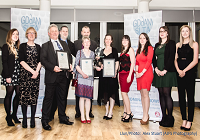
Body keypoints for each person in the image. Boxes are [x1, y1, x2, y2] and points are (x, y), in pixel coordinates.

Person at [40, 24, 74, 130]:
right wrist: (53, 67)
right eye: (52, 31)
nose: (54, 33)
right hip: (52, 75)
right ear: (49, 33)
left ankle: (62, 117)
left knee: (62, 98)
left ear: (58, 32)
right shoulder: (45, 45)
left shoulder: (63, 43)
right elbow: (43, 60)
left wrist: (69, 65)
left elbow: (68, 56)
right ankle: (45, 120)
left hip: (63, 75)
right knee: (48, 99)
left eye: (56, 31)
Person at [174, 25, 198, 131]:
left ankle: (190, 121)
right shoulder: (178, 45)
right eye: (183, 31)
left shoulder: (194, 44)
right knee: (181, 98)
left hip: (190, 73)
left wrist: (184, 70)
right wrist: (179, 70)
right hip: (179, 73)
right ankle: (184, 119)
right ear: (181, 33)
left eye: (186, 31)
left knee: (190, 98)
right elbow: (175, 59)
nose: (184, 33)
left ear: (190, 32)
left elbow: (195, 61)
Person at [152, 26, 177, 127]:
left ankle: (170, 118)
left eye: (164, 31)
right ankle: (164, 117)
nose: (162, 33)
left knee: (167, 94)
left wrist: (165, 70)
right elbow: (154, 59)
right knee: (161, 94)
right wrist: (156, 69)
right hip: (158, 72)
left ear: (167, 33)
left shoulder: (171, 43)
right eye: (160, 31)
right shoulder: (157, 45)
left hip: (168, 71)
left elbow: (171, 57)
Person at [50, 25, 75, 121]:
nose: (65, 33)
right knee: (53, 96)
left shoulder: (71, 45)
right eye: (63, 31)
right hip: (55, 73)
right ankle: (51, 114)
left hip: (66, 74)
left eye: (66, 31)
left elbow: (72, 58)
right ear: (60, 32)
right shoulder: (55, 43)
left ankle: (62, 114)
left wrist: (71, 66)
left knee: (63, 95)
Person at [73, 36, 101, 123]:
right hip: (81, 77)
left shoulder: (93, 53)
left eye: (88, 42)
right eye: (84, 42)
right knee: (81, 98)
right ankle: (82, 116)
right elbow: (76, 65)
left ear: (90, 43)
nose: (86, 43)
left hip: (89, 78)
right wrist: (83, 73)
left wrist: (97, 68)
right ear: (82, 44)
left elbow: (92, 65)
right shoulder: (79, 52)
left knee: (88, 98)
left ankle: (88, 116)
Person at [18, 27, 41, 128]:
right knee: (24, 98)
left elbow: (40, 61)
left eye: (33, 33)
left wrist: (36, 71)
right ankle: (24, 119)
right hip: (25, 75)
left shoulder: (38, 47)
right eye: (29, 33)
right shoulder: (22, 46)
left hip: (35, 75)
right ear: (26, 35)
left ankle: (32, 119)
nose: (31, 34)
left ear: (35, 35)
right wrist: (32, 71)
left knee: (34, 97)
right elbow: (21, 61)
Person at [97, 34, 120, 120]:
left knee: (112, 92)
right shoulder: (101, 51)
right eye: (106, 39)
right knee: (105, 93)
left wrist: (115, 71)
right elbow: (99, 62)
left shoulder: (114, 50)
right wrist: (100, 64)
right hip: (103, 75)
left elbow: (117, 62)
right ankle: (106, 111)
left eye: (109, 39)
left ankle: (111, 111)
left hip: (112, 75)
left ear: (111, 41)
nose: (107, 40)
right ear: (104, 40)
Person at [1, 28, 21, 126]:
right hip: (9, 74)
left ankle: (14, 114)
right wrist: (8, 76)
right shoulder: (6, 47)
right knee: (9, 94)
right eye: (14, 34)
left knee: (18, 94)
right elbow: (4, 62)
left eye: (17, 34)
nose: (16, 35)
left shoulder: (18, 47)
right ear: (10, 35)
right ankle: (8, 116)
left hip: (18, 74)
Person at [135, 33, 154, 125]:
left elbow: (149, 61)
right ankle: (144, 114)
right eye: (140, 38)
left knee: (145, 94)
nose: (142, 40)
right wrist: (137, 72)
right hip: (139, 74)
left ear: (147, 39)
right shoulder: (138, 49)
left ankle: (146, 115)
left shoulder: (150, 48)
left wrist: (142, 73)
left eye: (144, 38)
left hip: (146, 73)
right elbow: (137, 62)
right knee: (142, 94)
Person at [119, 35, 135, 122]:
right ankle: (125, 112)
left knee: (124, 93)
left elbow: (132, 63)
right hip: (121, 74)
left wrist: (130, 75)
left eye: (126, 40)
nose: (124, 41)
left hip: (127, 74)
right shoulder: (123, 50)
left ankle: (129, 113)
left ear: (129, 41)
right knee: (123, 94)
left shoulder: (130, 49)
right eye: (123, 40)